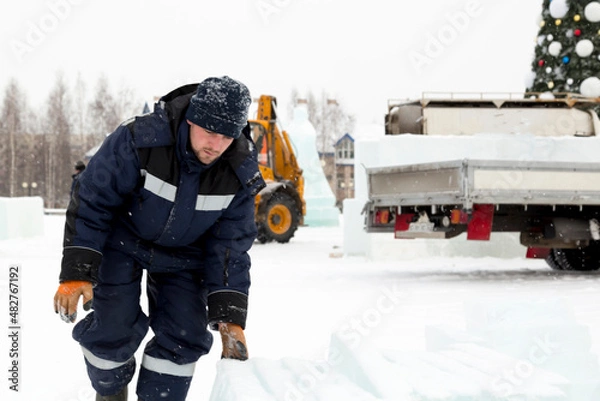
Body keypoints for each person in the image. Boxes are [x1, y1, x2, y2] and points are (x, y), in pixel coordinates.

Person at [53, 76, 266, 401]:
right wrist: (77, 271)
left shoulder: (238, 169)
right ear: (192, 119)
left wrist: (230, 316)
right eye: (209, 131)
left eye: (226, 136)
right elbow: (93, 197)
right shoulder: (140, 139)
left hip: (185, 255)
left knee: (186, 335)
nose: (216, 144)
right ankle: (111, 392)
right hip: (122, 240)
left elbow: (230, 247)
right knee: (112, 327)